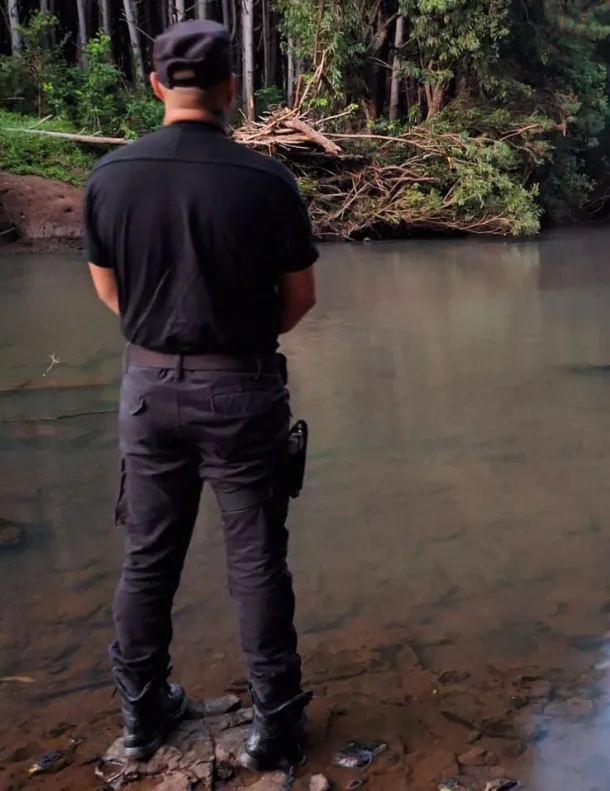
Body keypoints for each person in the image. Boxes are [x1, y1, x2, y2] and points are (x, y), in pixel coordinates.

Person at [82, 19, 319, 772]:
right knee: (256, 559)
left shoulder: (109, 176)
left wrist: (165, 339)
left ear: (155, 85)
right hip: (242, 390)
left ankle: (142, 713)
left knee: (148, 557)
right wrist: (234, 341)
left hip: (148, 390)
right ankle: (274, 725)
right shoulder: (266, 180)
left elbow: (109, 293)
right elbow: (300, 299)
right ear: (231, 88)